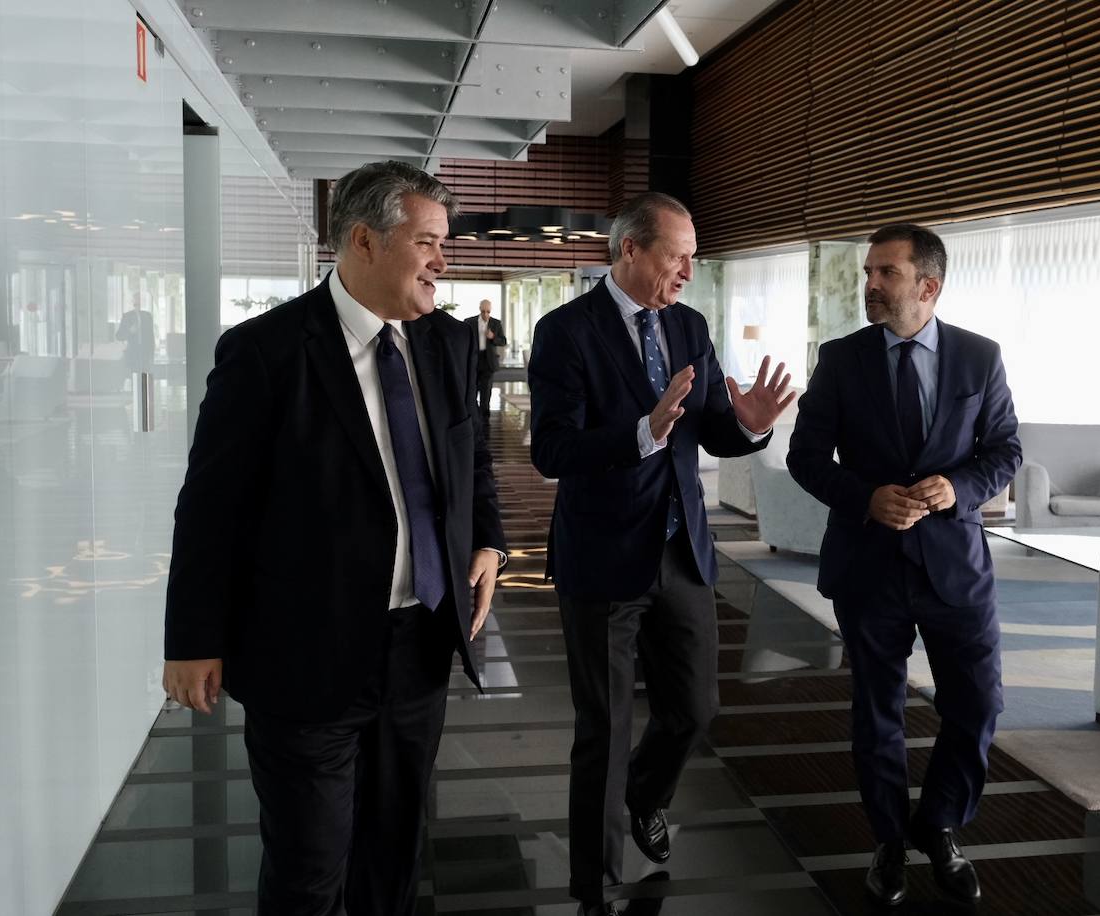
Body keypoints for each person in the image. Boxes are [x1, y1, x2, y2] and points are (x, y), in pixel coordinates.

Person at [162, 160, 507, 916]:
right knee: (310, 865)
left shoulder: (448, 344)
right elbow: (210, 509)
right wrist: (192, 640)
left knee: (394, 852)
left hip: (419, 648)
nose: (444, 262)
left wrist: (489, 542)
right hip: (305, 657)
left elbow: (470, 454)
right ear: (364, 241)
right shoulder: (266, 352)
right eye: (428, 242)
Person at [528, 192, 795, 916]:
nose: (688, 270)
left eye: (693, 258)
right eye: (677, 256)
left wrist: (752, 428)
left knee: (696, 709)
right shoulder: (565, 332)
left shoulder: (689, 326)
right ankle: (595, 886)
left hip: (682, 554)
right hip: (602, 560)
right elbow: (550, 450)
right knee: (604, 730)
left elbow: (709, 426)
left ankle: (646, 795)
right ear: (629, 251)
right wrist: (639, 434)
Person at [787, 223, 1020, 907]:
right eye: (868, 273)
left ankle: (941, 822)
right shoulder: (841, 358)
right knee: (877, 709)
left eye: (886, 274)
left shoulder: (980, 358)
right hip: (870, 565)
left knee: (978, 702)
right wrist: (866, 498)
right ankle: (889, 838)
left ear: (929, 285)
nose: (871, 287)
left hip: (955, 567)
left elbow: (1003, 450)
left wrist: (960, 489)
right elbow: (805, 457)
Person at [464, 298, 506, 422]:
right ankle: (472, 412)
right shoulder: (469, 322)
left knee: (486, 389)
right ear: (479, 309)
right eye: (483, 311)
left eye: (488, 311)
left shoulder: (496, 323)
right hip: (473, 359)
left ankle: (484, 415)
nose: (486, 314)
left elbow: (503, 341)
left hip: (488, 360)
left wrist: (493, 337)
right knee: (472, 387)